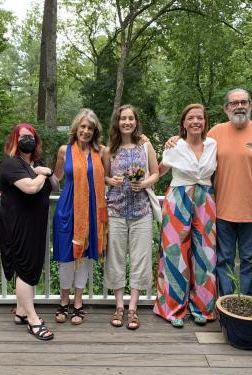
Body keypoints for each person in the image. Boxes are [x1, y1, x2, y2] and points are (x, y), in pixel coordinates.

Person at [166, 88, 252, 296]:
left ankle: (245, 306)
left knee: (249, 263)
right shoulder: (215, 133)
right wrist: (175, 139)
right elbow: (194, 142)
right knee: (222, 261)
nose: (239, 106)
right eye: (234, 103)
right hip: (220, 211)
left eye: (243, 102)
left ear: (250, 105)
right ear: (226, 108)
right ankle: (226, 307)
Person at [153, 104, 217, 328]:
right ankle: (172, 309)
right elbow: (159, 171)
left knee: (205, 254)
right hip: (178, 198)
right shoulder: (175, 146)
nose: (196, 121)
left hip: (205, 199)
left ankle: (202, 308)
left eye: (200, 118)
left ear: (205, 122)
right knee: (174, 254)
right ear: (183, 123)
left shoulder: (213, 145)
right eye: (191, 118)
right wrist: (140, 180)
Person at [0, 123, 58, 341]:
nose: (27, 140)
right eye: (23, 136)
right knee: (24, 269)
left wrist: (47, 171)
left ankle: (21, 312)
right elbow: (31, 188)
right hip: (18, 225)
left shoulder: (37, 163)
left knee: (31, 267)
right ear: (15, 140)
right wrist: (42, 174)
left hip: (35, 224)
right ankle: (33, 321)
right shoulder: (11, 164)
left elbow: (56, 186)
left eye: (31, 136)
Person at [102, 104, 159, 330]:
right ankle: (119, 307)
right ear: (117, 122)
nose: (127, 122)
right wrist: (110, 181)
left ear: (136, 122)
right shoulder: (110, 150)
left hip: (141, 212)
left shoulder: (145, 146)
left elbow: (155, 173)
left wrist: (143, 183)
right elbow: (104, 176)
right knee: (115, 259)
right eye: (123, 118)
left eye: (131, 118)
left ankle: (133, 308)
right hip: (115, 211)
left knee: (140, 259)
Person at [52, 108, 108, 325]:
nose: (86, 131)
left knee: (84, 257)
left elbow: (109, 178)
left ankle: (78, 302)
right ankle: (63, 301)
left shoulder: (101, 152)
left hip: (92, 211)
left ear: (95, 132)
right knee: (66, 256)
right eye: (82, 126)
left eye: (90, 128)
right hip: (67, 209)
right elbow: (55, 179)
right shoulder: (63, 151)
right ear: (76, 128)